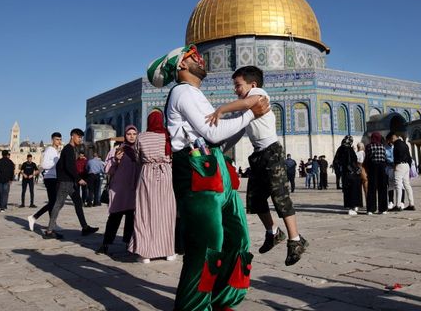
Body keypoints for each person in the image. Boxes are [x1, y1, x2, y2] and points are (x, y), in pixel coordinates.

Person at [147, 44, 270, 310]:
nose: (201, 59)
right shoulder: (182, 92)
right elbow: (212, 133)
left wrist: (245, 119)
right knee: (206, 245)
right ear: (181, 65)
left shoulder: (194, 94)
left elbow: (217, 135)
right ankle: (194, 306)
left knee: (237, 238)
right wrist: (250, 113)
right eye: (193, 57)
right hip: (197, 173)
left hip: (214, 169)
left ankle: (223, 300)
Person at [207, 65, 307, 266]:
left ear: (252, 84)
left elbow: (250, 101)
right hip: (258, 155)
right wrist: (219, 148)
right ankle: (273, 232)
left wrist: (221, 109)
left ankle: (295, 240)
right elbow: (236, 132)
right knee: (255, 199)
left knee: (280, 197)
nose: (235, 89)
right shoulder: (246, 109)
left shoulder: (258, 94)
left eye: (238, 85)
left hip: (272, 153)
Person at [127, 111, 177, 262]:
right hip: (166, 174)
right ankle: (168, 251)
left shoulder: (141, 137)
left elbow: (137, 157)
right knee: (166, 212)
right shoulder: (167, 135)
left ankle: (145, 253)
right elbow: (173, 154)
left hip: (147, 173)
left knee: (145, 212)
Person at [44, 128, 99, 239]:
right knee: (58, 204)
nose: (80, 139)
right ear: (72, 136)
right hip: (65, 182)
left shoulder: (72, 149)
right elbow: (69, 167)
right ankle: (49, 231)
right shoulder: (68, 149)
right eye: (79, 137)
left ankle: (85, 228)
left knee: (78, 203)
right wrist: (78, 179)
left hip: (69, 182)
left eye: (81, 137)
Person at [97, 125, 142, 256]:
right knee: (114, 217)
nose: (132, 136)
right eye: (129, 134)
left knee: (131, 219)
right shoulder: (117, 150)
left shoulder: (139, 150)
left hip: (133, 190)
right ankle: (105, 244)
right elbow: (107, 170)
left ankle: (128, 244)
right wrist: (116, 160)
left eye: (134, 134)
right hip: (119, 191)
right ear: (125, 135)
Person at [28, 132, 61, 232]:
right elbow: (44, 165)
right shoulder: (49, 150)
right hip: (50, 178)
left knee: (53, 202)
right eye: (57, 139)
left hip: (54, 178)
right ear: (52, 140)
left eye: (60, 139)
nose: (58, 141)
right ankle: (34, 217)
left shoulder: (56, 151)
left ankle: (52, 223)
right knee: (53, 202)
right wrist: (56, 163)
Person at [334, 136, 362, 215]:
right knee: (353, 190)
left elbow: (336, 161)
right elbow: (352, 161)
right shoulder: (349, 149)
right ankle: (353, 207)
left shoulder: (340, 149)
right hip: (351, 173)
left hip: (345, 173)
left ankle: (351, 206)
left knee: (348, 190)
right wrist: (355, 170)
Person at [388, 133, 415, 211]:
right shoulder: (404, 144)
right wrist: (408, 166)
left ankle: (398, 205)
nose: (391, 142)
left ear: (393, 138)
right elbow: (409, 156)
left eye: (390, 140)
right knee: (407, 185)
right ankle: (411, 204)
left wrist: (395, 165)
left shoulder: (397, 145)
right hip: (406, 165)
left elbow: (397, 156)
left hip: (399, 165)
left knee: (398, 185)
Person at [365, 132, 388, 214]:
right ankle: (383, 209)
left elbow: (367, 158)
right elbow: (385, 158)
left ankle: (371, 209)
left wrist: (366, 168)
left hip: (372, 168)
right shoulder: (383, 146)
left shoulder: (369, 146)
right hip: (382, 168)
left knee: (371, 188)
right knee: (382, 188)